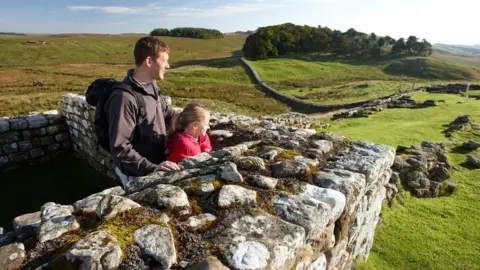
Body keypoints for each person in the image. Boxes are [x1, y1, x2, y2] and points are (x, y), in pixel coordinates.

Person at [104, 36, 182, 186]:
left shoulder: (151, 85)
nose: (168, 66)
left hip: (155, 165)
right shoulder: (124, 98)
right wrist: (153, 168)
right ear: (148, 61)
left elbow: (167, 113)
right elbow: (120, 147)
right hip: (136, 175)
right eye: (164, 60)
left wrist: (194, 119)